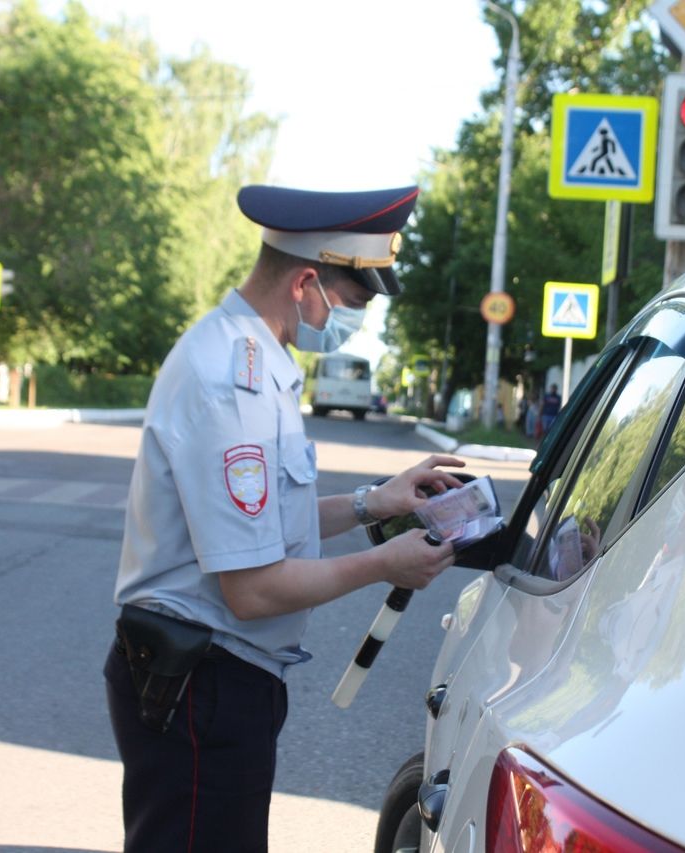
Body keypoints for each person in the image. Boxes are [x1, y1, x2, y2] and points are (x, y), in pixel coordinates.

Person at [104, 183, 465, 853]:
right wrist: (386, 564)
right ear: (305, 282)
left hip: (216, 679)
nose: (352, 322)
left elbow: (266, 518)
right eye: (352, 303)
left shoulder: (258, 361)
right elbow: (254, 587)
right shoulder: (229, 380)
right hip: (199, 684)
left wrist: (375, 502)